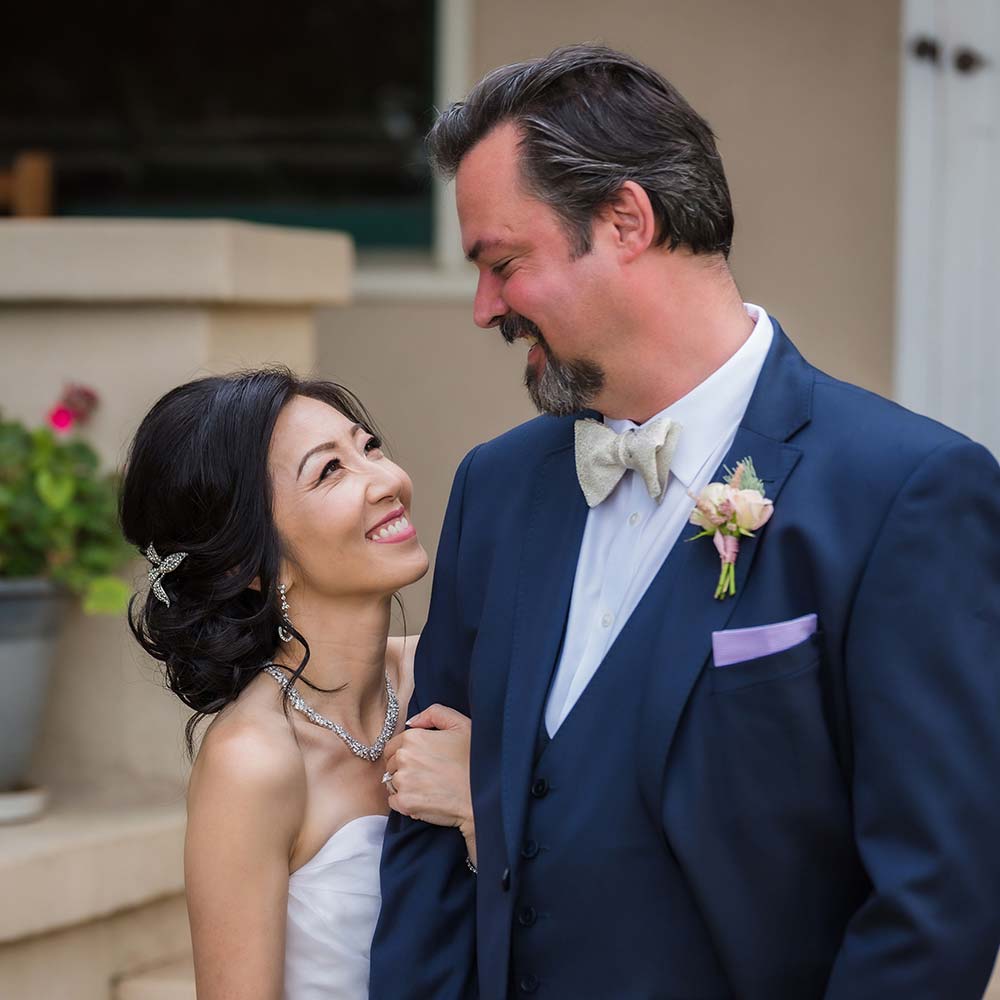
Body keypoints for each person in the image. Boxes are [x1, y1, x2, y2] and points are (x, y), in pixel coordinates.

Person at [372, 44, 1000, 1000]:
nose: (483, 306)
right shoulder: (495, 490)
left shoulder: (905, 492)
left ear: (625, 220)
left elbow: (935, 902)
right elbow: (426, 830)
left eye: (504, 263)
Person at [119, 368, 474, 1000]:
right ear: (245, 561)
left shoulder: (448, 676)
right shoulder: (252, 760)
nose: (388, 481)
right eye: (330, 471)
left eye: (368, 448)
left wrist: (480, 807)